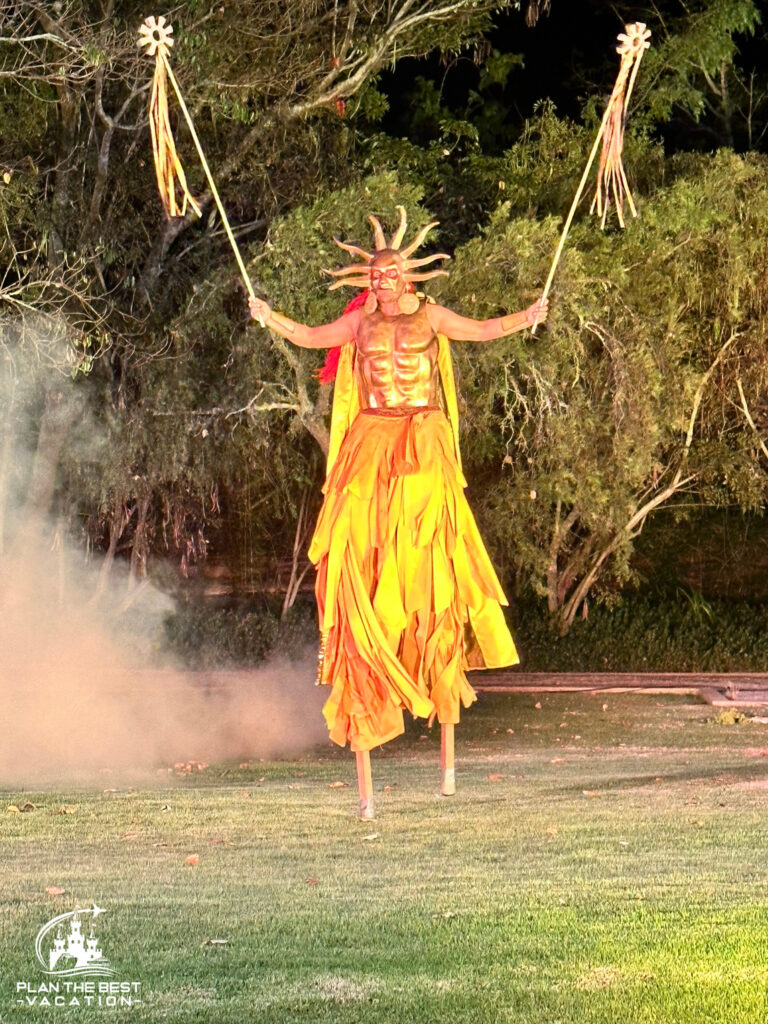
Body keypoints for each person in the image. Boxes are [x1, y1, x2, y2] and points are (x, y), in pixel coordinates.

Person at [249, 207, 548, 817]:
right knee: (359, 559)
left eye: (390, 275)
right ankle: (366, 705)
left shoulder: (430, 317)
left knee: (431, 560)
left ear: (406, 277)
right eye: (374, 278)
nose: (381, 284)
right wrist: (269, 316)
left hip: (423, 440)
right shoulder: (358, 325)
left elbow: (484, 331)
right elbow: (309, 336)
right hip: (372, 439)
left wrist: (528, 317)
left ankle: (444, 746)